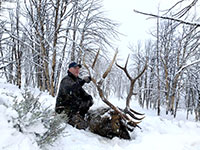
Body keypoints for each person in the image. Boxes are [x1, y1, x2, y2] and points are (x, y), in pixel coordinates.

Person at [55, 62, 93, 129]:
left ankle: (81, 116)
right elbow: (72, 89)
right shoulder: (66, 80)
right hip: (63, 110)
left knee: (88, 99)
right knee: (84, 127)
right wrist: (83, 81)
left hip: (74, 109)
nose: (77, 70)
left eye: (78, 68)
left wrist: (88, 99)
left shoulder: (77, 80)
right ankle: (72, 120)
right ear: (69, 69)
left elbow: (82, 91)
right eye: (75, 68)